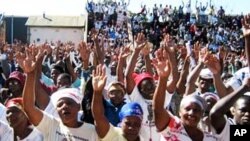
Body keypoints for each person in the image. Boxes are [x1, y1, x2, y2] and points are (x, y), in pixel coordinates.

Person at [18, 47, 98, 141]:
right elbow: (28, 107)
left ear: (78, 106)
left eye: (69, 103)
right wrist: (30, 73)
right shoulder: (51, 125)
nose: (64, 106)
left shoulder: (92, 131)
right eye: (60, 105)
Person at [152, 47, 217, 141]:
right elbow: (158, 110)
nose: (191, 113)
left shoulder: (210, 138)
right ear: (179, 112)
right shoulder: (173, 128)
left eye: (196, 110)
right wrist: (163, 78)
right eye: (187, 109)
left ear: (202, 113)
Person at [92, 64, 144, 141]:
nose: (131, 128)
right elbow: (99, 117)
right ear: (121, 122)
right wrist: (97, 92)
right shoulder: (113, 134)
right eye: (128, 123)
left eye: (136, 124)